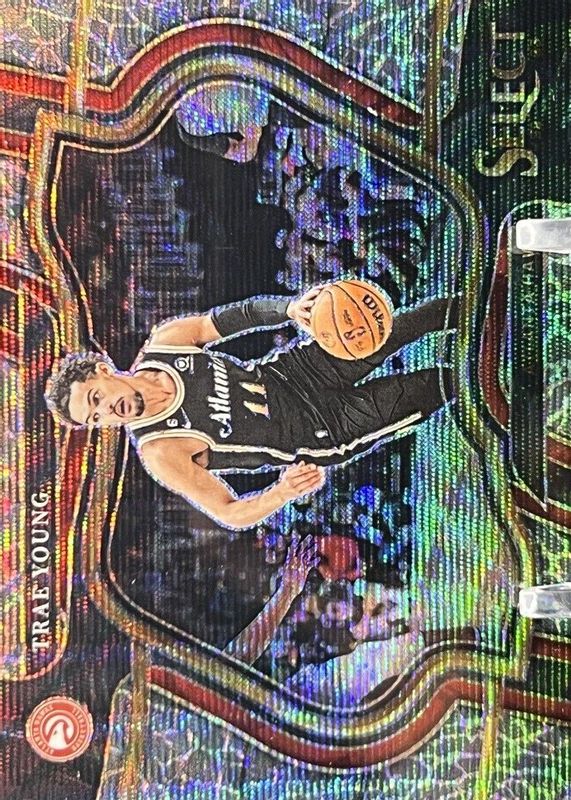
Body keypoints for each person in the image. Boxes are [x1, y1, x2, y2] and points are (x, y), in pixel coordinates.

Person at [45, 286, 458, 529]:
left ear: (103, 369)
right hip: (321, 429)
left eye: (96, 398)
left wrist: (290, 309)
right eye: (95, 418)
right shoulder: (160, 450)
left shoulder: (167, 343)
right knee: (433, 386)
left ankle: (487, 296)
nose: (107, 413)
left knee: (411, 323)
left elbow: (236, 317)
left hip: (297, 371)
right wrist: (281, 491)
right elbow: (229, 512)